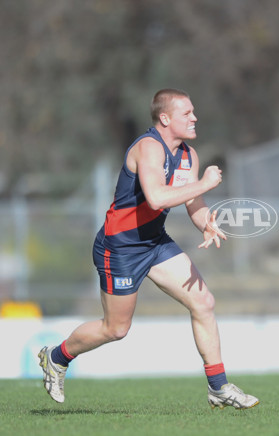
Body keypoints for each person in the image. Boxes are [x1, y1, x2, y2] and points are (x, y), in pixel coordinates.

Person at [38, 89, 259, 410]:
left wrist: (206, 223)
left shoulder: (188, 156)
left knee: (204, 303)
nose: (195, 118)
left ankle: (219, 387)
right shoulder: (148, 147)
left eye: (194, 112)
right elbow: (156, 197)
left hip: (155, 242)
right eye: (187, 113)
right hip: (121, 247)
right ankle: (56, 357)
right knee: (115, 329)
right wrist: (207, 183)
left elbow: (191, 200)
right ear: (165, 119)